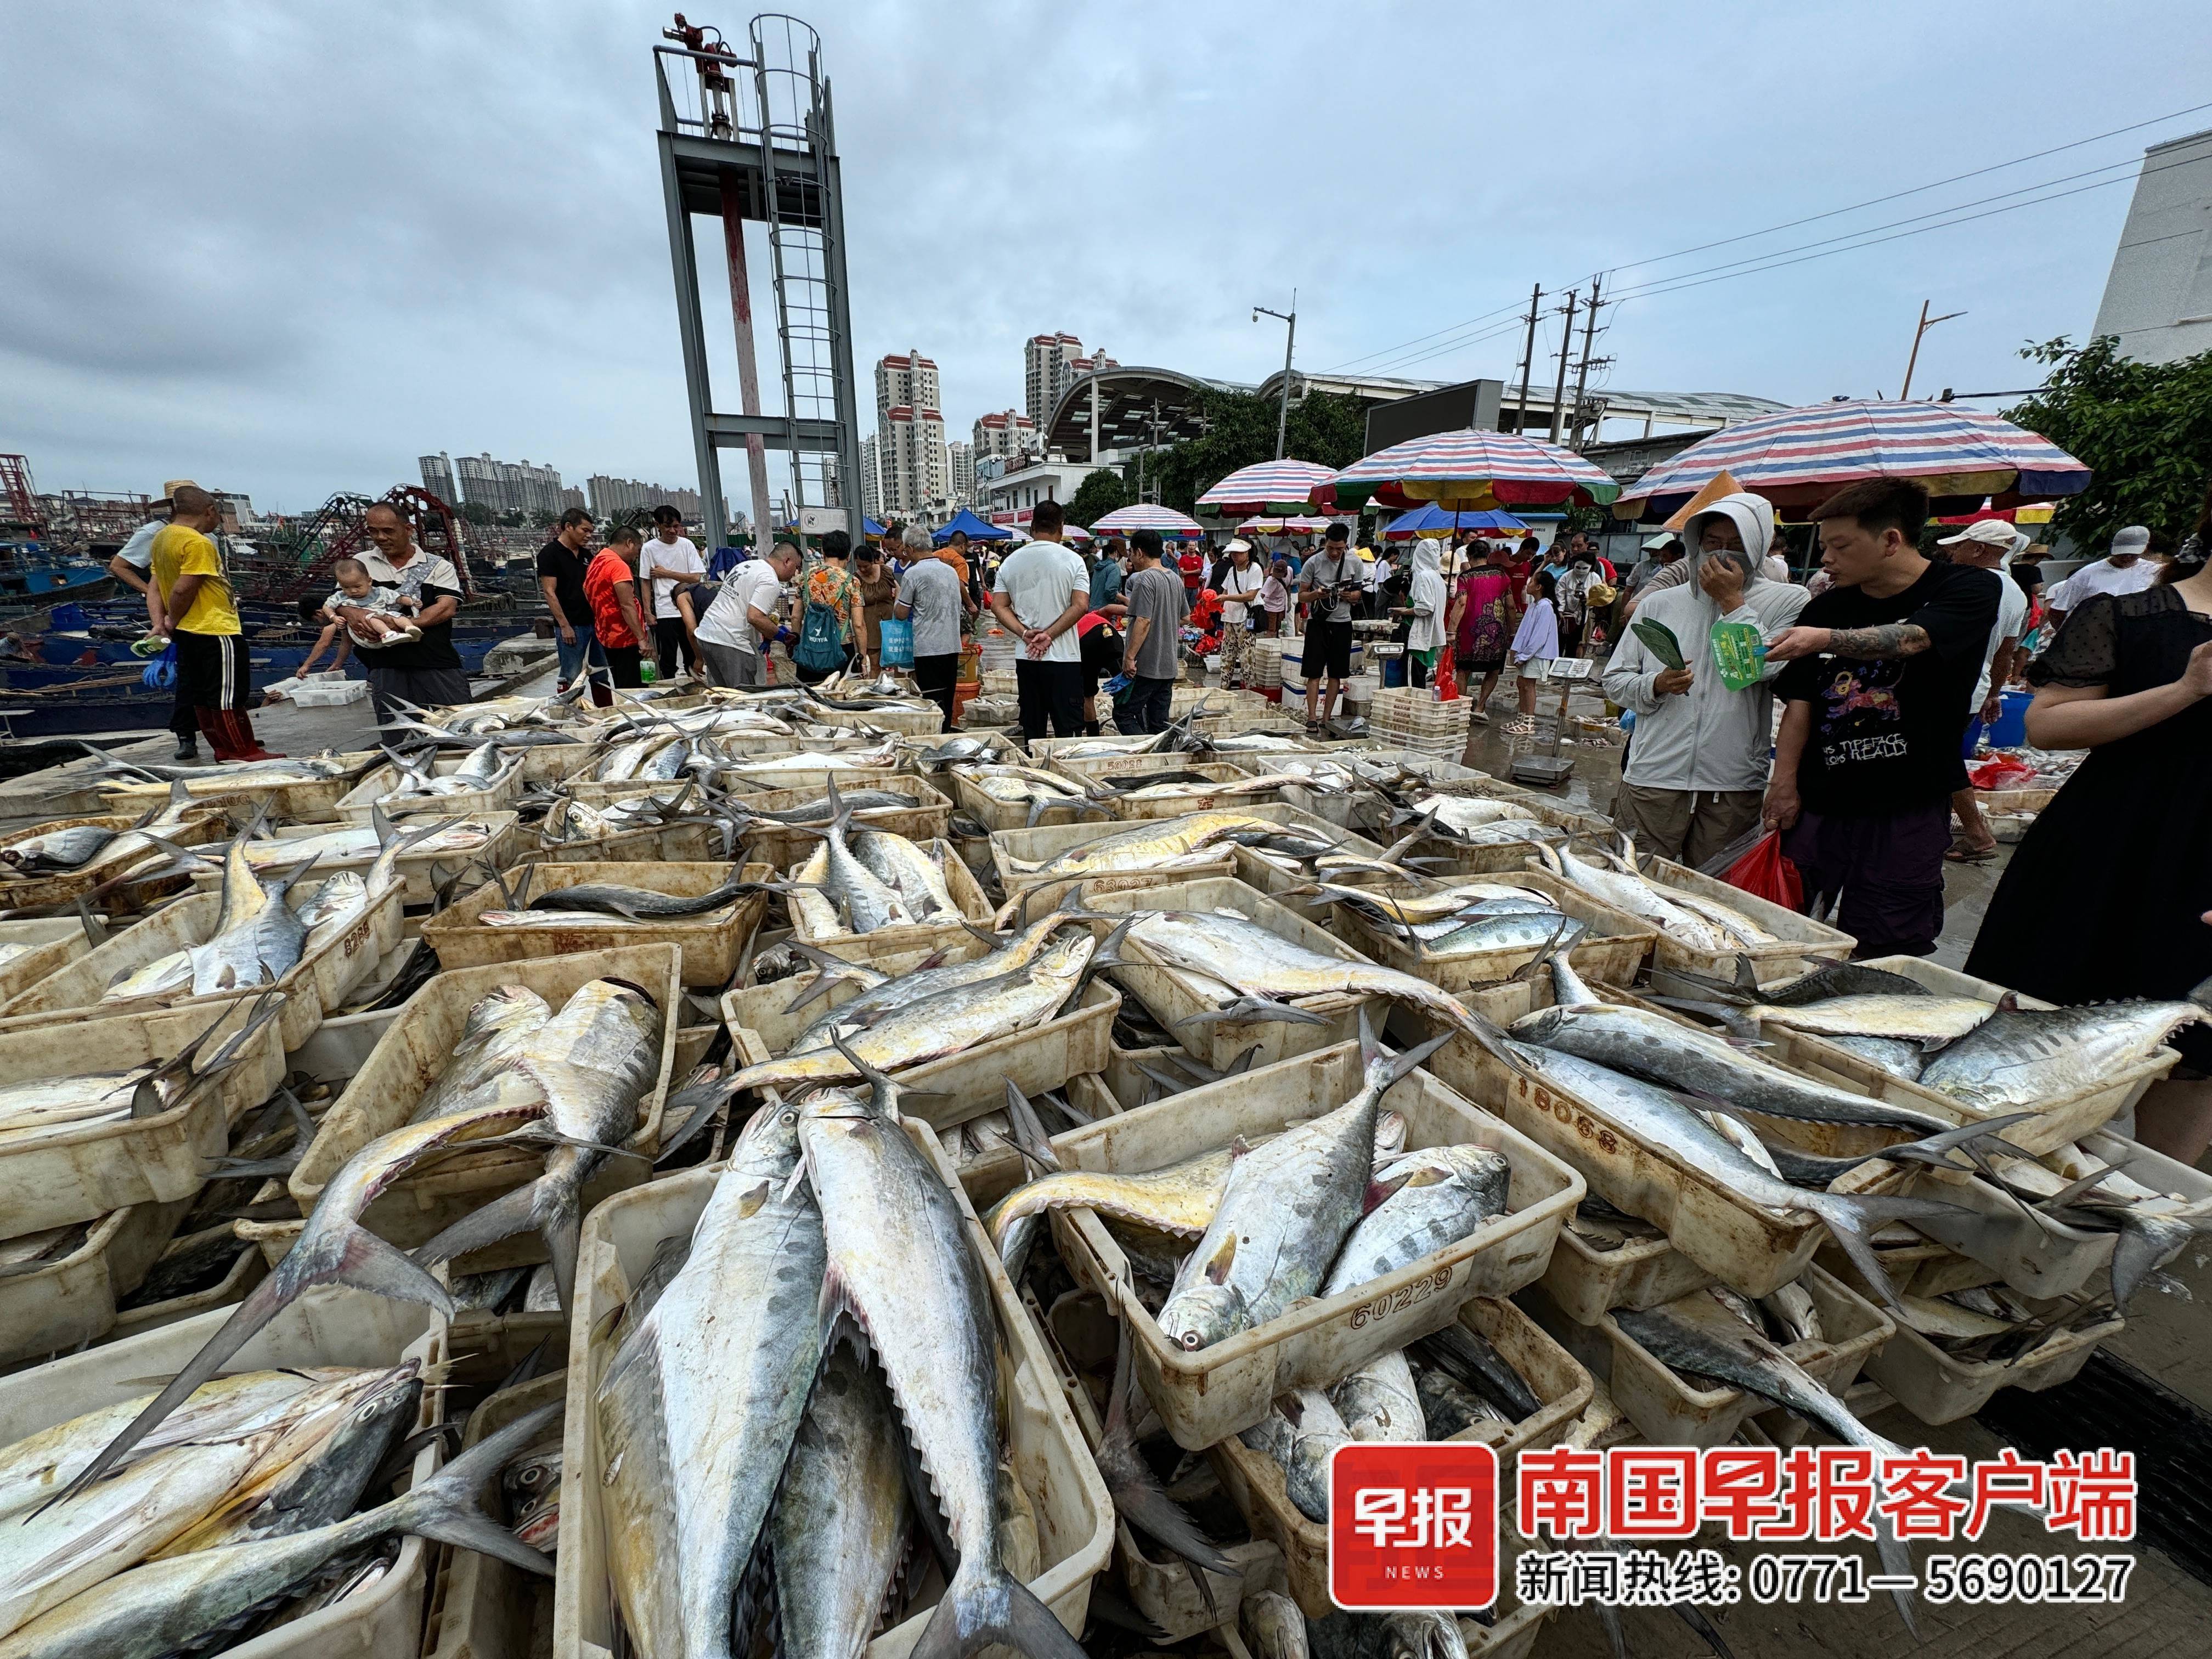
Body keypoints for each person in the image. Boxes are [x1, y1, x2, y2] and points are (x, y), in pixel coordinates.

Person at [1965, 534, 2212, 1161]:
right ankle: (1996, 1180)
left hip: (2206, 873)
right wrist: (2186, 690)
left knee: (2195, 1059)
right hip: (2105, 850)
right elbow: (2047, 724)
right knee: (2035, 1028)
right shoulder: (2128, 616)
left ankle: (2144, 1218)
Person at [1763, 479, 1999, 958]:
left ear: (1891, 540)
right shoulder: (1829, 604)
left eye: (1840, 545)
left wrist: (1824, 640)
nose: (1826, 558)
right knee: (1782, 928)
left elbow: (1913, 639)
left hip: (1908, 804)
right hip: (1821, 800)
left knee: (1888, 942)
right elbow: (1802, 702)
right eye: (1825, 545)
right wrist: (1783, 783)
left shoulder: (1967, 588)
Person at [1601, 492, 1810, 865]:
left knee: (1714, 890)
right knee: (1634, 878)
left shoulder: (1790, 601)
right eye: (1713, 542)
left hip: (1732, 782)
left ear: (1759, 546)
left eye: (1737, 544)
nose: (1722, 554)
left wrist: (1733, 603)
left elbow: (1755, 670)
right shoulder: (1659, 603)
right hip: (1655, 775)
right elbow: (1615, 679)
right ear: (1696, 544)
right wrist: (1655, 685)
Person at [149, 484, 278, 761]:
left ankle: (222, 748)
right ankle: (243, 751)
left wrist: (159, 623)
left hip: (188, 633)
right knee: (228, 694)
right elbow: (184, 589)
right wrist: (171, 619)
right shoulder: (197, 542)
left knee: (202, 694)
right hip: (215, 628)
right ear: (210, 511)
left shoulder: (162, 538)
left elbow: (155, 587)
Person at [1935, 520, 2033, 864]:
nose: (1952, 552)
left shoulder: (1966, 584)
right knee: (1939, 757)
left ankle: (1976, 833)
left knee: (1939, 759)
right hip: (1972, 689)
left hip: (1947, 687)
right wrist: (1992, 693)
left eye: (1960, 546)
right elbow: (2005, 652)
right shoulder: (2017, 594)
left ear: (1978, 549)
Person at [345, 500, 471, 721]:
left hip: (435, 660)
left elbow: (446, 608)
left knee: (459, 724)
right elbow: (342, 603)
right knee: (399, 734)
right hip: (386, 665)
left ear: (408, 529)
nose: (381, 538)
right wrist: (356, 616)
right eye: (374, 532)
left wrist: (400, 623)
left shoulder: (439, 566)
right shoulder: (359, 564)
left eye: (388, 531)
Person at [110, 487, 201, 760]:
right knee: (187, 679)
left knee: (219, 677)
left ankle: (228, 732)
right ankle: (186, 735)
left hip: (211, 614)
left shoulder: (205, 533)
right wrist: (157, 607)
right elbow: (120, 566)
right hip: (178, 616)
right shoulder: (156, 533)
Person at [989, 498, 1090, 740]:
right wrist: (1050, 635)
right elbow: (1081, 605)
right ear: (1061, 527)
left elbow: (998, 606)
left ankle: (1033, 773)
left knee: (1033, 730)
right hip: (1064, 659)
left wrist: (1025, 633)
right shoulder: (1074, 561)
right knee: (1068, 732)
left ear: (1032, 527)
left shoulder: (1010, 562)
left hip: (1027, 658)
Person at [695, 538, 798, 688]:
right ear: (787, 561)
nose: (796, 573)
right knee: (742, 699)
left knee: (721, 695)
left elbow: (743, 606)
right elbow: (754, 617)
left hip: (707, 635)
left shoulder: (745, 566)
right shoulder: (770, 580)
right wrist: (782, 636)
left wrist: (769, 631)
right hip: (730, 641)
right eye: (796, 567)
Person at [1118, 528, 1189, 734]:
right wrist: (1165, 615)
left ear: (1139, 553)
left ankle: (1145, 751)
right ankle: (1160, 762)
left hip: (1146, 666)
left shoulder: (1144, 580)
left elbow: (1143, 621)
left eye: (1131, 552)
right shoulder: (1175, 579)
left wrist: (1129, 657)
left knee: (1123, 713)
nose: (1130, 557)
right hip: (1168, 665)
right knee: (1159, 723)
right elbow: (1186, 617)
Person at [894, 539, 964, 730]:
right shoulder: (951, 571)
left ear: (909, 549)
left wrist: (897, 597)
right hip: (951, 645)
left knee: (932, 700)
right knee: (947, 699)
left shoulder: (913, 574)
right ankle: (946, 734)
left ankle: (935, 740)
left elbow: (901, 614)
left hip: (928, 648)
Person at [536, 507, 605, 702]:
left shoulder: (586, 555)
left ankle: (605, 712)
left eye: (591, 531)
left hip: (593, 624)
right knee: (572, 676)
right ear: (569, 527)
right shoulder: (550, 554)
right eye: (585, 530)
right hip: (571, 626)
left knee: (600, 674)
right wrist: (565, 626)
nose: (589, 536)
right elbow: (550, 592)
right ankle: (569, 712)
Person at [1447, 540, 1519, 722]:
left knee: (1463, 669)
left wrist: (1451, 631)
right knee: (1493, 669)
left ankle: (1462, 708)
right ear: (1488, 556)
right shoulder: (1503, 576)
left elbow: (1461, 603)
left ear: (1469, 556)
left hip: (1469, 630)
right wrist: (1512, 632)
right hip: (1497, 631)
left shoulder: (1465, 578)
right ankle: (1480, 707)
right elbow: (1510, 606)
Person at [1300, 523, 1361, 731]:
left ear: (1346, 545)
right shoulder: (1313, 562)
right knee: (1314, 672)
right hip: (1318, 623)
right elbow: (1301, 595)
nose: (1335, 553)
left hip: (1343, 623)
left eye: (1340, 549)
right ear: (1325, 543)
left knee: (1336, 673)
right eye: (1331, 548)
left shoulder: (1355, 562)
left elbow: (1358, 594)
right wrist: (1316, 595)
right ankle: (1311, 717)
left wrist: (1351, 596)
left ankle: (1327, 718)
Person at [2042, 525, 2159, 630]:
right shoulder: (2086, 575)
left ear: (2146, 548)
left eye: (2133, 553)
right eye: (2123, 553)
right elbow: (2057, 612)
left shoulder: (2153, 571)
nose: (2127, 557)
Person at [637, 505, 705, 680]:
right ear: (658, 525)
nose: (673, 531)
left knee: (692, 655)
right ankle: (668, 690)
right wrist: (647, 612)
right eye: (668, 526)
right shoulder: (649, 549)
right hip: (664, 610)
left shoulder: (687, 546)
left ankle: (694, 686)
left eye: (676, 526)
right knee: (667, 659)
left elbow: (696, 577)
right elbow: (645, 582)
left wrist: (667, 573)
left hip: (688, 609)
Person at [584, 526, 651, 690]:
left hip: (608, 636)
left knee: (623, 684)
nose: (637, 556)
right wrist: (642, 639)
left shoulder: (598, 561)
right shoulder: (618, 566)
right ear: (629, 543)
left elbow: (586, 591)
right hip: (625, 638)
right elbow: (627, 606)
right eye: (638, 549)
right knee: (635, 688)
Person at [793, 529, 864, 681]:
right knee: (843, 698)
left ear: (823, 552)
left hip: (811, 647)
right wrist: (862, 656)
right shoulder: (852, 581)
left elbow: (796, 617)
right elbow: (859, 625)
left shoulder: (804, 579)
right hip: (842, 648)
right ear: (849, 555)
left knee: (811, 697)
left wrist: (798, 644)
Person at [1505, 569, 1560, 734]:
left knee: (1529, 685)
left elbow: (1539, 636)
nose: (1528, 584)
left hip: (1537, 654)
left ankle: (1529, 721)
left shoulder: (1545, 608)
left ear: (1539, 587)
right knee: (1522, 683)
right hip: (1527, 653)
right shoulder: (1534, 605)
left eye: (1531, 582)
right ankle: (1521, 718)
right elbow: (1524, 631)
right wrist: (1517, 651)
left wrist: (1525, 655)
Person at [324, 557, 420, 648]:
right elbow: (327, 607)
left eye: (357, 587)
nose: (353, 591)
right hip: (364, 636)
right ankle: (388, 634)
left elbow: (398, 599)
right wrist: (334, 617)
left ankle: (411, 629)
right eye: (346, 587)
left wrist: (412, 602)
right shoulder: (341, 596)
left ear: (369, 581)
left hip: (383, 626)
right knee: (372, 618)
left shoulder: (380, 592)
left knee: (397, 616)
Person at [1215, 539, 1265, 688]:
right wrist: (1214, 601)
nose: (1234, 556)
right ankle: (1224, 687)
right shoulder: (1232, 570)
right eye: (1233, 553)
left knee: (1247, 658)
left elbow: (1251, 595)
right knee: (1227, 656)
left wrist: (1226, 597)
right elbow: (1224, 591)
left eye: (1238, 553)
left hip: (1245, 619)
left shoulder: (1255, 569)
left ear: (1248, 553)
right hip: (1229, 618)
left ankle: (1249, 689)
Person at [853, 543, 900, 665]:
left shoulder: (886, 572)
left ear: (873, 561)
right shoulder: (855, 579)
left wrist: (897, 609)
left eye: (866, 566)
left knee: (897, 663)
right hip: (871, 627)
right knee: (875, 664)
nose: (863, 570)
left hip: (891, 623)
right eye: (859, 566)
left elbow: (898, 589)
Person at [1090, 538, 1125, 614]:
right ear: (1116, 553)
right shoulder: (1114, 568)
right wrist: (1125, 600)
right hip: (1105, 611)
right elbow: (1111, 590)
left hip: (1093, 609)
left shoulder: (1098, 567)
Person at [1259, 557, 1291, 636]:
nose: (1276, 576)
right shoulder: (1271, 580)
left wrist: (1289, 602)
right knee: (1271, 630)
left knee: (1280, 629)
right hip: (1270, 607)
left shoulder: (1290, 571)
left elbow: (1288, 586)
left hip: (1281, 606)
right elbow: (1262, 595)